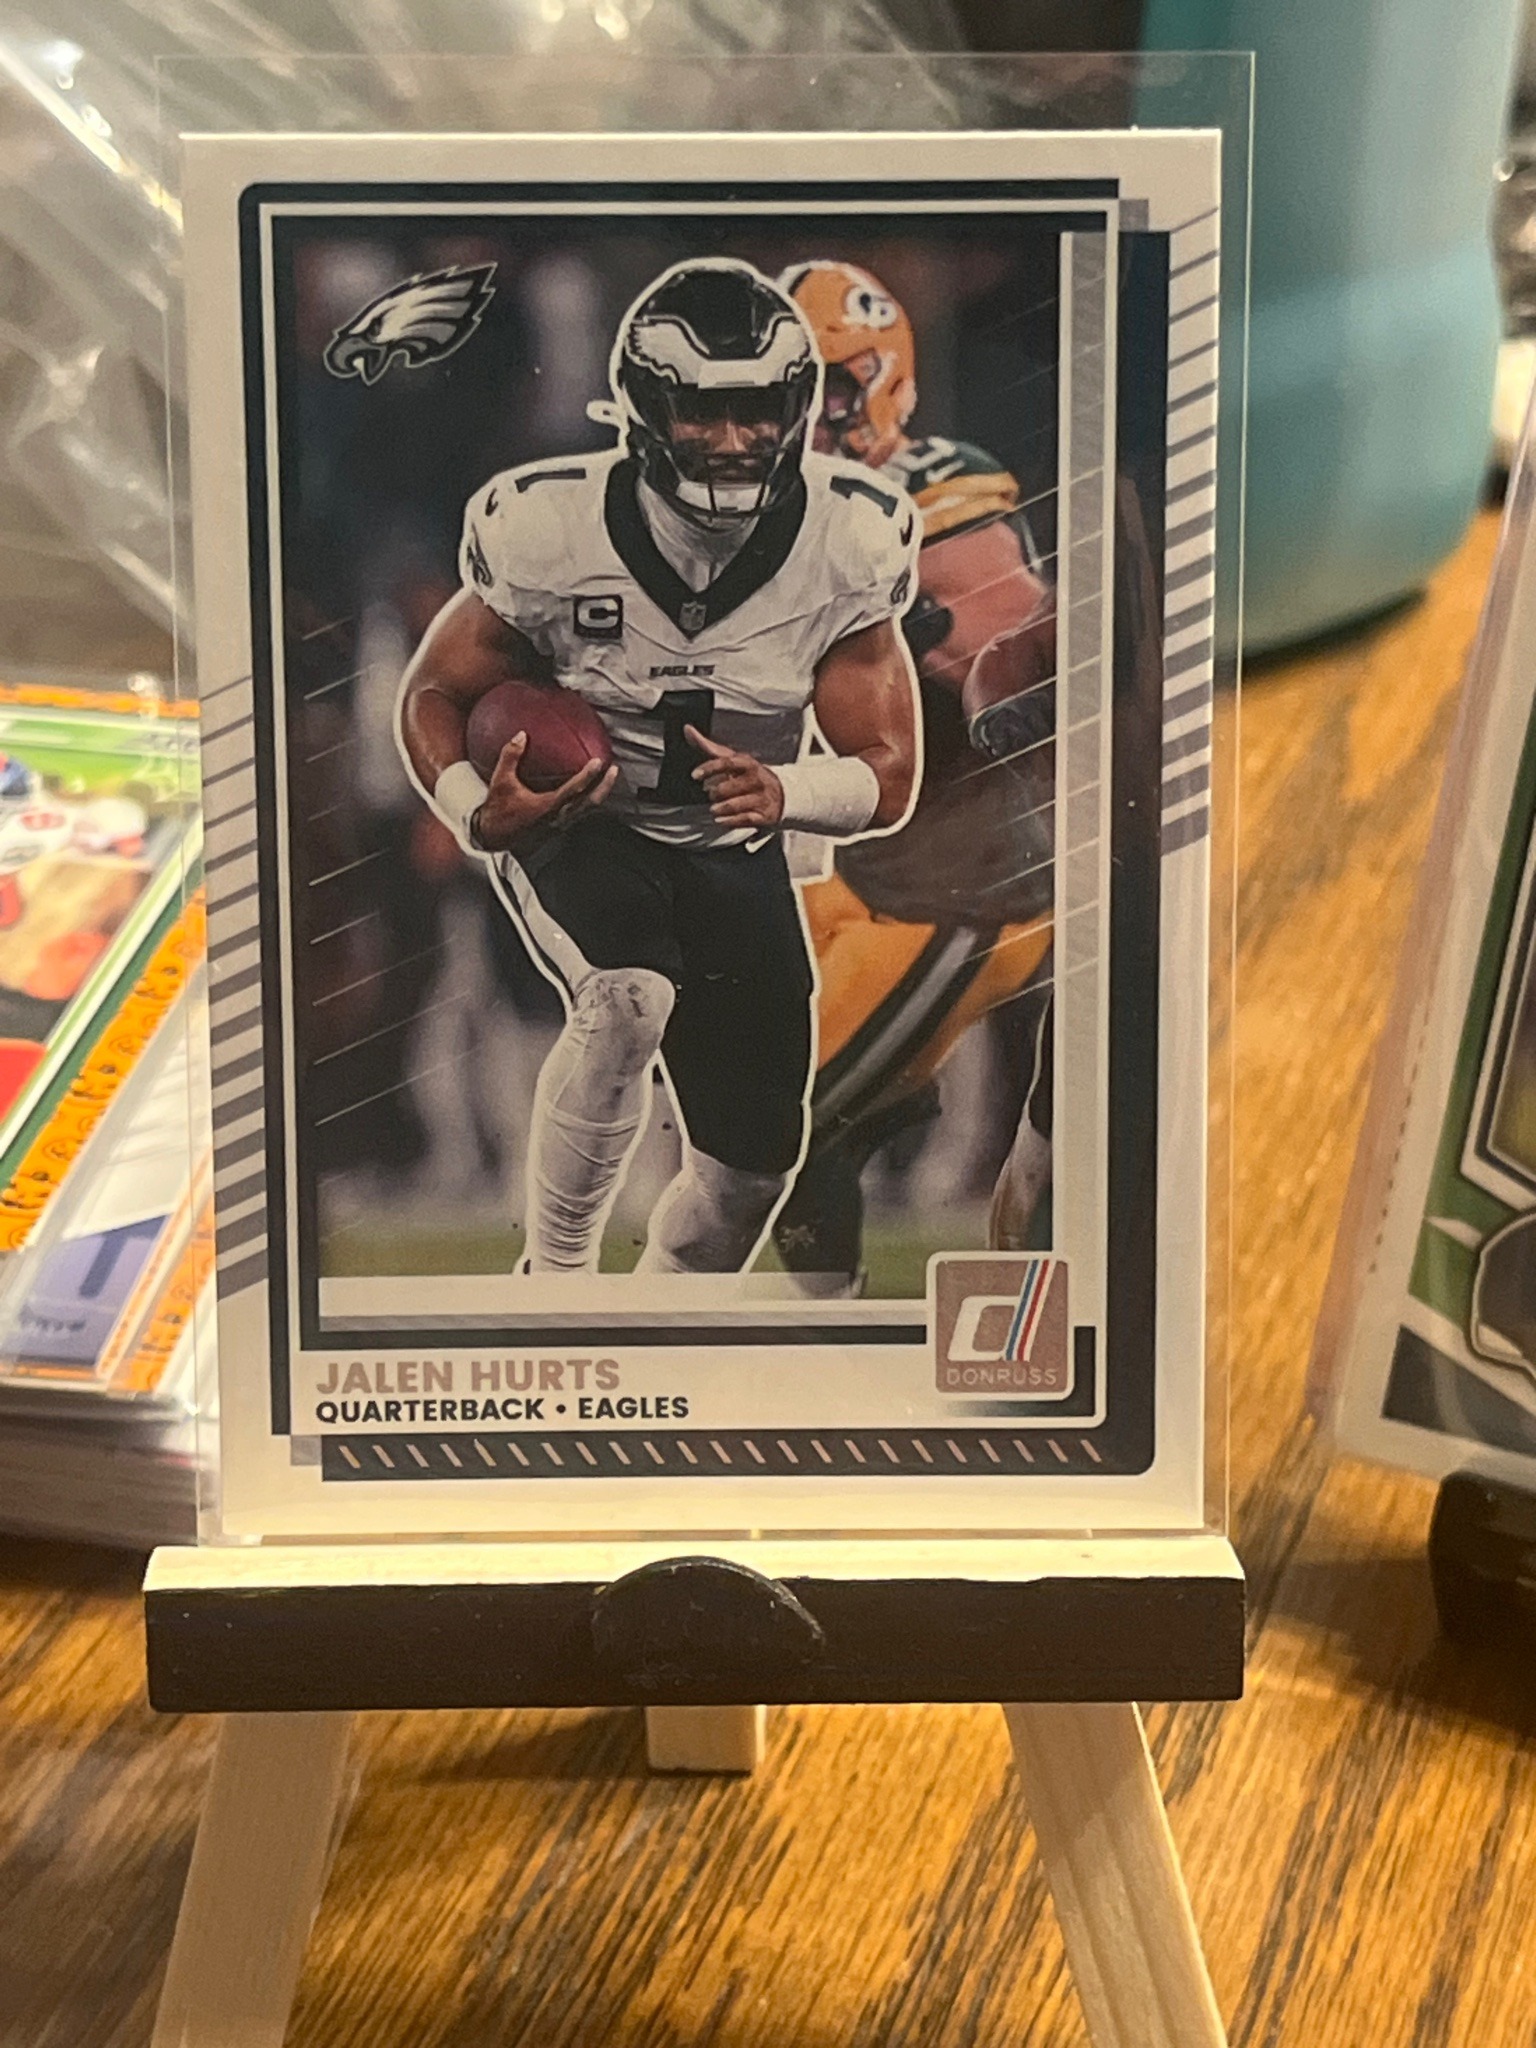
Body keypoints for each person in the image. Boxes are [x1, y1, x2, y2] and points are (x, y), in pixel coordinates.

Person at [396, 257, 920, 1276]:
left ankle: (659, 1316)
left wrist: (788, 790)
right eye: (702, 410)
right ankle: (553, 1283)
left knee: (747, 1182)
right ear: (643, 408)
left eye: (758, 410)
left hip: (734, 847)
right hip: (588, 823)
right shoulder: (550, 528)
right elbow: (436, 692)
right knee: (627, 999)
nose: (733, 438)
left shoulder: (848, 538)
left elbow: (888, 771)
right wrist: (475, 808)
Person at [770, 259, 1058, 1290]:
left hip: (956, 883)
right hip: (845, 872)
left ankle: (1039, 1169)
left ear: (885, 377)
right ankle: (831, 1338)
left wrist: (960, 653)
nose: (802, 416)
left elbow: (1007, 634)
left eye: (827, 387)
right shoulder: (757, 509)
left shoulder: (930, 493)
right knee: (756, 1113)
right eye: (778, 389)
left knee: (783, 1119)